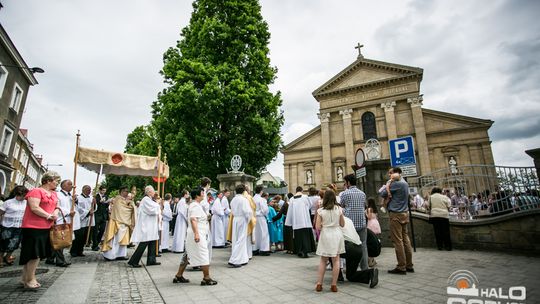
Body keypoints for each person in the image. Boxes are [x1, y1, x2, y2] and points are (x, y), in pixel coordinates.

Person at [19, 171, 61, 289]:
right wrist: (48, 215)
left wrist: (54, 213)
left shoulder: (53, 193)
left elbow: (56, 206)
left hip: (46, 226)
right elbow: (34, 207)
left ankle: (24, 278)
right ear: (48, 181)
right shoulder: (36, 191)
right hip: (33, 226)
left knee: (36, 254)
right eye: (56, 181)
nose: (57, 183)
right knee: (34, 254)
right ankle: (30, 279)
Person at [172, 187, 217, 286]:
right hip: (197, 234)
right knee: (204, 253)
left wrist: (207, 217)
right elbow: (193, 220)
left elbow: (198, 218)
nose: (204, 193)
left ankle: (179, 275)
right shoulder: (195, 206)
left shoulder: (195, 205)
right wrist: (197, 234)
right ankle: (206, 278)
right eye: (202, 192)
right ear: (197, 195)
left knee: (188, 254)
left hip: (194, 234)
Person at [380, 167, 414, 275]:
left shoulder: (396, 184)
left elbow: (382, 193)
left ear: (397, 173)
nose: (390, 175)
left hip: (395, 214)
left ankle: (401, 266)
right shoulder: (405, 183)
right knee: (405, 239)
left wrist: (388, 183)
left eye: (391, 173)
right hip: (404, 213)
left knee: (398, 241)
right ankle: (409, 265)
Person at [315, 190, 345, 293]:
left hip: (326, 234)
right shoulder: (339, 209)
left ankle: (319, 284)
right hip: (336, 234)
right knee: (336, 260)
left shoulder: (321, 211)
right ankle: (334, 285)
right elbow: (342, 224)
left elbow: (317, 227)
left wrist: (324, 224)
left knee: (323, 260)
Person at [340, 217, 379, 288]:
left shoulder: (335, 220)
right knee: (350, 276)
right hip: (358, 248)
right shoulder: (349, 220)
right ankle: (371, 273)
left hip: (349, 247)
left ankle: (338, 275)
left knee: (331, 252)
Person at [128, 186, 161, 267]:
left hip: (151, 225)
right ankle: (133, 261)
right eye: (153, 191)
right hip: (146, 225)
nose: (155, 193)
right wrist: (158, 203)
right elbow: (152, 210)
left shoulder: (149, 199)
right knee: (144, 243)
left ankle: (151, 260)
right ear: (149, 192)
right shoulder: (146, 199)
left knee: (152, 241)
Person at [341, 174, 368, 270]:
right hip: (361, 223)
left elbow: (342, 206)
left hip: (350, 226)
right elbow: (364, 206)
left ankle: (351, 269)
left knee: (349, 248)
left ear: (348, 183)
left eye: (345, 182)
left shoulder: (345, 194)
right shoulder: (362, 193)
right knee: (363, 246)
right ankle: (365, 268)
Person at [46, 180, 76, 267]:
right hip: (59, 219)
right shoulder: (57, 194)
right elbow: (57, 206)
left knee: (57, 239)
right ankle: (60, 260)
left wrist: (74, 200)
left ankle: (50, 258)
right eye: (69, 184)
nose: (72, 186)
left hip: (66, 219)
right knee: (60, 239)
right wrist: (68, 212)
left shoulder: (70, 196)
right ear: (63, 186)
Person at [102, 186, 136, 260]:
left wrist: (131, 205)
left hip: (124, 223)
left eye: (127, 191)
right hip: (117, 222)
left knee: (123, 239)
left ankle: (120, 255)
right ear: (121, 192)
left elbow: (129, 208)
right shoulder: (118, 199)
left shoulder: (125, 200)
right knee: (115, 240)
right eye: (126, 191)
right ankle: (110, 255)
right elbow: (123, 210)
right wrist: (130, 207)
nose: (127, 193)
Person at [0, 186, 29, 268]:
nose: (23, 197)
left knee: (15, 243)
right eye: (21, 195)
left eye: (24, 195)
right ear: (16, 194)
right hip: (7, 226)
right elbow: (1, 213)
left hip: (19, 226)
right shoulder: (8, 202)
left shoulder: (26, 203)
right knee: (3, 243)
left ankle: (8, 257)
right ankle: (0, 258)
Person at [285, 186, 316, 258]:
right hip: (304, 220)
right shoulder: (305, 197)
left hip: (296, 221)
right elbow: (310, 205)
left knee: (298, 236)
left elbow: (290, 211)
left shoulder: (292, 199)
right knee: (305, 237)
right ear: (301, 190)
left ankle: (299, 251)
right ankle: (305, 251)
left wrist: (289, 222)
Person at [228, 184, 252, 268]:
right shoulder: (244, 200)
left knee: (236, 239)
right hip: (242, 219)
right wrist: (248, 220)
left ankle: (242, 259)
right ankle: (234, 259)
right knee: (241, 239)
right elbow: (248, 212)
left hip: (235, 219)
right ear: (243, 191)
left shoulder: (233, 199)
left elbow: (232, 210)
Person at [71, 185, 94, 257]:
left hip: (87, 220)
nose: (89, 191)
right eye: (88, 190)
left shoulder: (91, 198)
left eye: (90, 190)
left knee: (83, 236)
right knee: (78, 236)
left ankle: (80, 250)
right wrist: (87, 212)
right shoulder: (78, 198)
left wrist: (94, 205)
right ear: (83, 190)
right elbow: (77, 208)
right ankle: (74, 251)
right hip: (80, 219)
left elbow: (94, 208)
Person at [253, 186, 270, 256]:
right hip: (260, 217)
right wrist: (266, 214)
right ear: (261, 191)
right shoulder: (261, 199)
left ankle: (255, 249)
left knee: (256, 233)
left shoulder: (252, 198)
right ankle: (264, 249)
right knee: (264, 233)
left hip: (254, 217)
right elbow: (265, 210)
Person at [92, 186, 110, 251]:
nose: (104, 192)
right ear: (100, 190)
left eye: (105, 190)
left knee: (102, 230)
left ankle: (98, 242)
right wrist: (100, 201)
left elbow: (106, 206)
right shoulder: (96, 196)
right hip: (97, 215)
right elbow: (95, 204)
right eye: (103, 190)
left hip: (104, 215)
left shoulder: (106, 196)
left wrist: (108, 203)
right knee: (95, 230)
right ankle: (94, 245)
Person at [365, 198, 381, 267]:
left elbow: (369, 217)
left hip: (371, 223)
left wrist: (365, 213)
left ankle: (371, 260)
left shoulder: (369, 209)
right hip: (376, 223)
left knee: (370, 241)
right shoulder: (375, 209)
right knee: (375, 240)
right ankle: (373, 260)